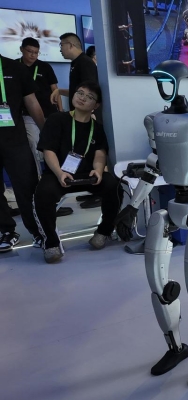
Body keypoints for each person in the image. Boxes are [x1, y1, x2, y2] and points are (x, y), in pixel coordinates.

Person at [34, 81, 120, 263]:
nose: (82, 98)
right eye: (80, 93)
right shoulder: (57, 119)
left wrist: (98, 171)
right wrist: (59, 173)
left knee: (113, 184)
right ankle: (51, 242)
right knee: (43, 192)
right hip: (58, 174)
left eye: (89, 97)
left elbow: (100, 154)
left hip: (87, 175)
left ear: (96, 105)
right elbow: (48, 151)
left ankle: (103, 232)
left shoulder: (96, 128)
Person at [0, 53, 46, 252]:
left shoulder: (15, 68)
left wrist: (46, 133)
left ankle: (39, 231)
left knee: (27, 186)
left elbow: (32, 102)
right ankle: (6, 230)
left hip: (15, 139)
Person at [18, 37, 61, 176]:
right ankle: (37, 178)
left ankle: (56, 175)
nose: (33, 55)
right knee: (33, 142)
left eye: (36, 52)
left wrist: (60, 111)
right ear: (21, 49)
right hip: (27, 114)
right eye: (29, 51)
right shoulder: (15, 66)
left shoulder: (45, 67)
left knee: (54, 144)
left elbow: (55, 90)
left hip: (49, 112)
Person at [51, 33, 98, 112]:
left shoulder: (85, 63)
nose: (60, 49)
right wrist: (59, 91)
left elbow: (90, 92)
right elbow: (77, 92)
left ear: (70, 45)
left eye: (61, 45)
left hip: (84, 115)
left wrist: (89, 114)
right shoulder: (76, 62)